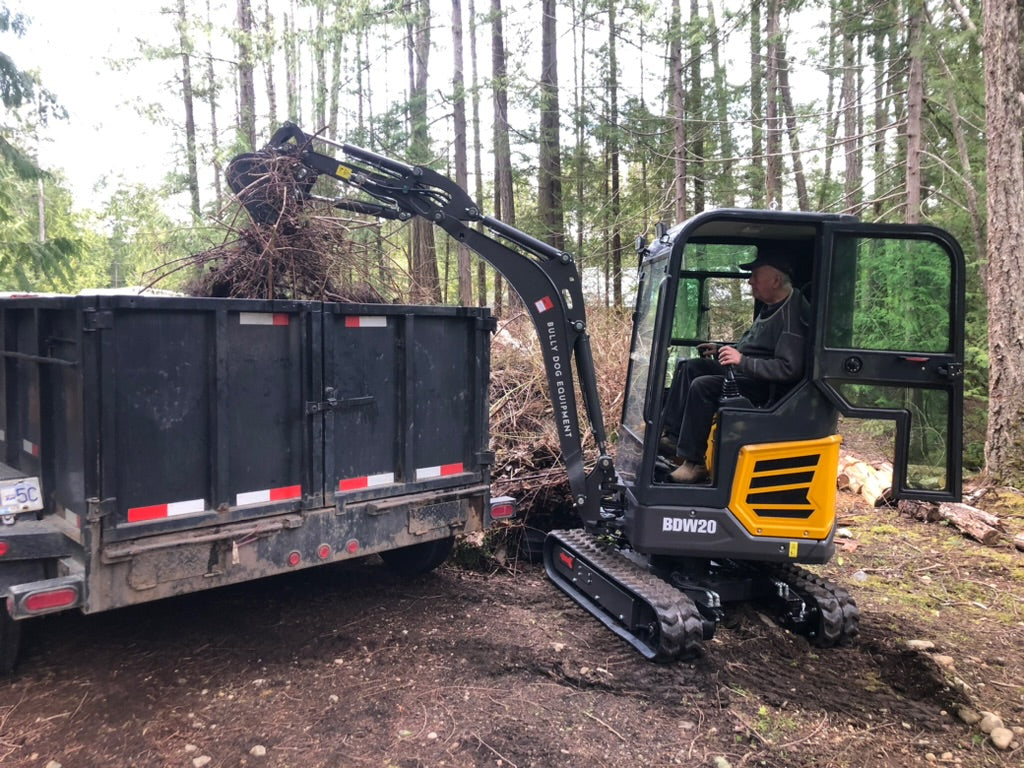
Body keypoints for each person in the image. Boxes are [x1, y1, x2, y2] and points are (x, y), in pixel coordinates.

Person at [662, 248, 808, 484]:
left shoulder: (792, 317)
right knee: (691, 367)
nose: (750, 281)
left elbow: (789, 369)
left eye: (755, 275)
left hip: (763, 387)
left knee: (703, 386)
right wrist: (722, 349)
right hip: (747, 372)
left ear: (775, 280)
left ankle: (694, 463)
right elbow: (756, 347)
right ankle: (671, 436)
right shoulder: (772, 305)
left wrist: (742, 361)